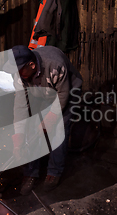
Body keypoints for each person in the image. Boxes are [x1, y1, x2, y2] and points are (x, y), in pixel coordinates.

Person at [10, 45, 82, 195]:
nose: (17, 74)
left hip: (67, 91)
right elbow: (20, 107)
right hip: (42, 91)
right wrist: (19, 138)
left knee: (59, 130)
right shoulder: (21, 75)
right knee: (31, 127)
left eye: (20, 70)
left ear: (32, 65)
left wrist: (49, 120)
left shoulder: (55, 65)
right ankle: (31, 172)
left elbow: (63, 95)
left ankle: (54, 171)